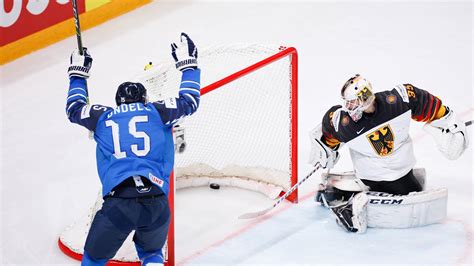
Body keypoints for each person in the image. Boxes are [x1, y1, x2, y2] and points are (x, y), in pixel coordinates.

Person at [65, 33, 200, 265]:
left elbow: (74, 108)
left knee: (93, 259)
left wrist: (78, 74)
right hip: (157, 202)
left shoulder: (102, 117)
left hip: (119, 203)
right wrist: (189, 65)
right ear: (144, 99)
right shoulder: (158, 112)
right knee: (151, 254)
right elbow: (190, 100)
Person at [309, 74, 469, 233]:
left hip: (392, 173)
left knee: (408, 186)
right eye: (347, 103)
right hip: (386, 177)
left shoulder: (343, 123)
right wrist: (446, 118)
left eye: (352, 102)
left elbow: (329, 126)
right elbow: (422, 101)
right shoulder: (399, 99)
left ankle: (338, 194)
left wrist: (448, 121)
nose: (349, 107)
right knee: (411, 189)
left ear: (364, 99)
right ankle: (349, 207)